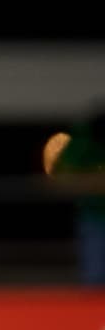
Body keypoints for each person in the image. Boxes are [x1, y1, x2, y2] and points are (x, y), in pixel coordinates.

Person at [46, 103, 105, 285]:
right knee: (96, 276)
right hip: (95, 217)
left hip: (93, 217)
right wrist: (93, 182)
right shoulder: (83, 143)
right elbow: (63, 178)